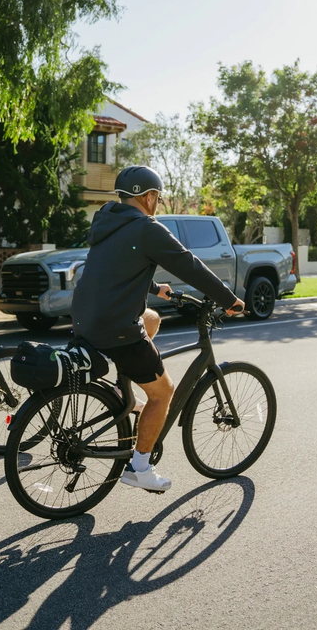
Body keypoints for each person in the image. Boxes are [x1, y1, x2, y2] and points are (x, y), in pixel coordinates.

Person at [71, 166, 245, 492]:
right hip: (116, 327)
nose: (158, 203)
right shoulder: (146, 228)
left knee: (151, 319)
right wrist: (229, 299)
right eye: (158, 197)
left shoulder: (109, 222)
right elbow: (188, 264)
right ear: (149, 197)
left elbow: (116, 267)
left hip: (85, 318)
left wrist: (154, 288)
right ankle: (139, 467)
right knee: (163, 392)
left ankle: (124, 389)